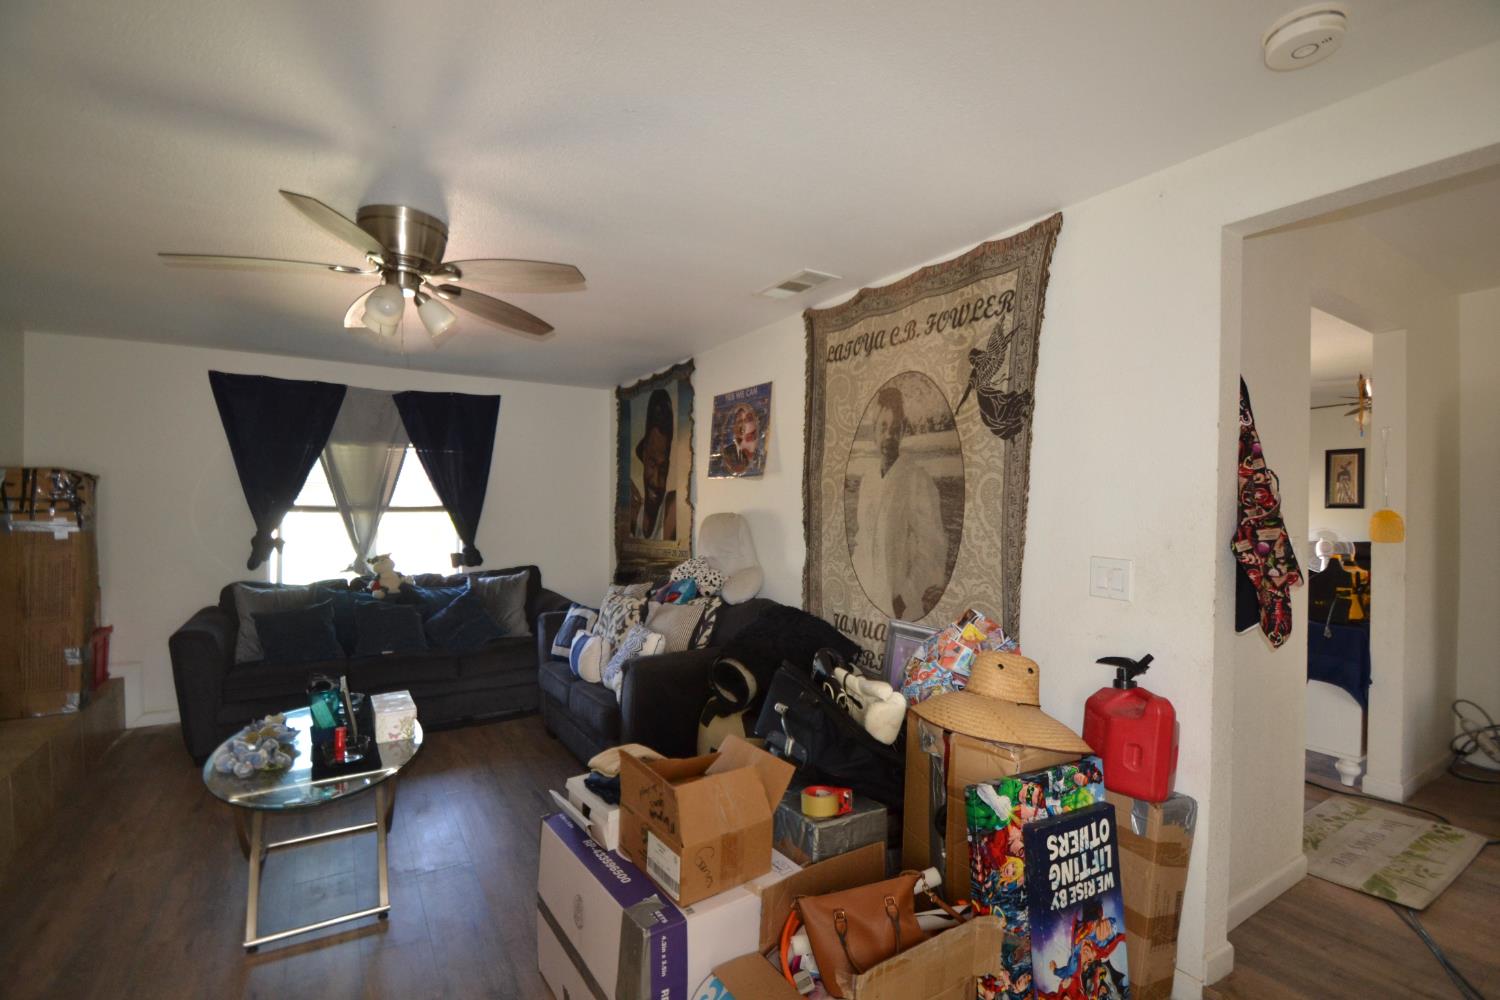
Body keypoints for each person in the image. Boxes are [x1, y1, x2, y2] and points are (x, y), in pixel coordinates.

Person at [851, 385, 947, 619]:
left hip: (900, 608)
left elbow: (933, 547)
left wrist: (904, 598)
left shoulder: (917, 480)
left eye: (895, 428)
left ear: (903, 430)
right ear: (874, 430)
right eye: (883, 427)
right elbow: (862, 539)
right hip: (866, 602)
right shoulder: (868, 480)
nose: (888, 436)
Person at [627, 388, 678, 540]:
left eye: (663, 469)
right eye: (652, 464)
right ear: (644, 456)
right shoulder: (635, 513)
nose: (656, 481)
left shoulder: (671, 507)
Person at [718, 402, 762, 475]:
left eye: (748, 420)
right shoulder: (729, 453)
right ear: (734, 428)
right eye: (739, 421)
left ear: (756, 424)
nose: (743, 426)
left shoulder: (760, 454)